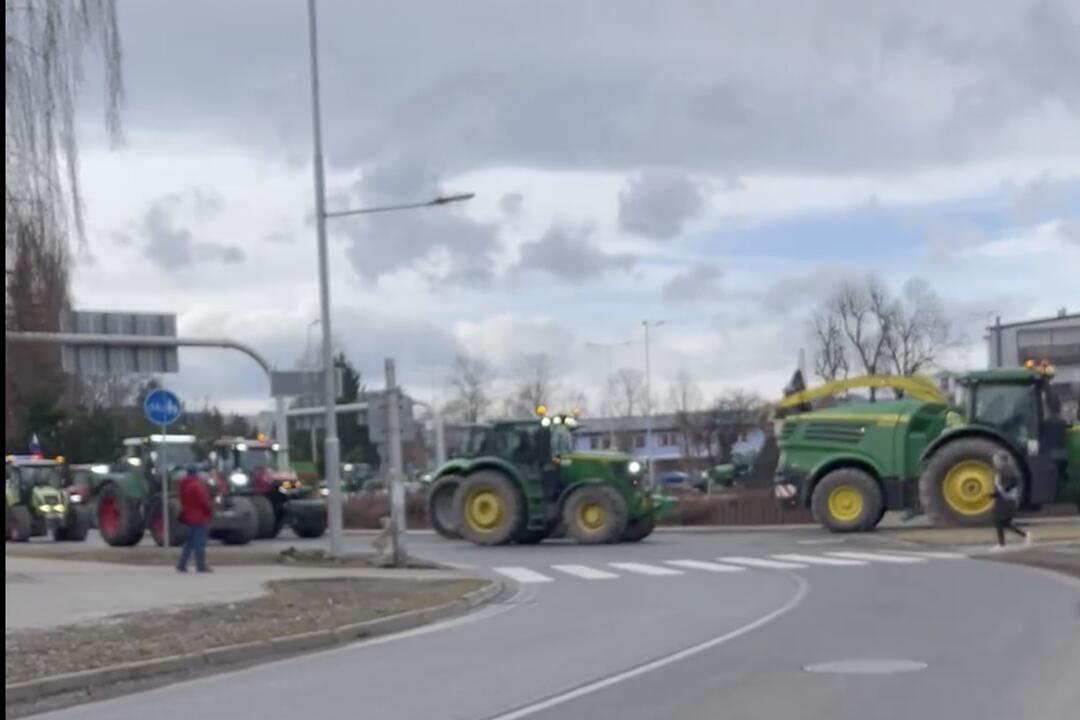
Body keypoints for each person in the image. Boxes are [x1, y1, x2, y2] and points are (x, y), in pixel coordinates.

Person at [990, 452, 1030, 551]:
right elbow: (1000, 487)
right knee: (1004, 523)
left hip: (1007, 500)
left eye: (996, 460)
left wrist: (1006, 489)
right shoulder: (1000, 471)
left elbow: (1015, 480)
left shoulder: (1007, 470)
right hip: (1003, 499)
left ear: (1002, 461)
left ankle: (1001, 545)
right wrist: (994, 495)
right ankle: (1025, 535)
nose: (994, 462)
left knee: (999, 521)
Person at [177, 465, 213, 573]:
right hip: (199, 516)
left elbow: (182, 501)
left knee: (190, 542)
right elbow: (203, 501)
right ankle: (200, 565)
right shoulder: (196, 486)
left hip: (189, 516)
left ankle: (182, 564)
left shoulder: (184, 485)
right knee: (199, 542)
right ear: (196, 473)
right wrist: (209, 511)